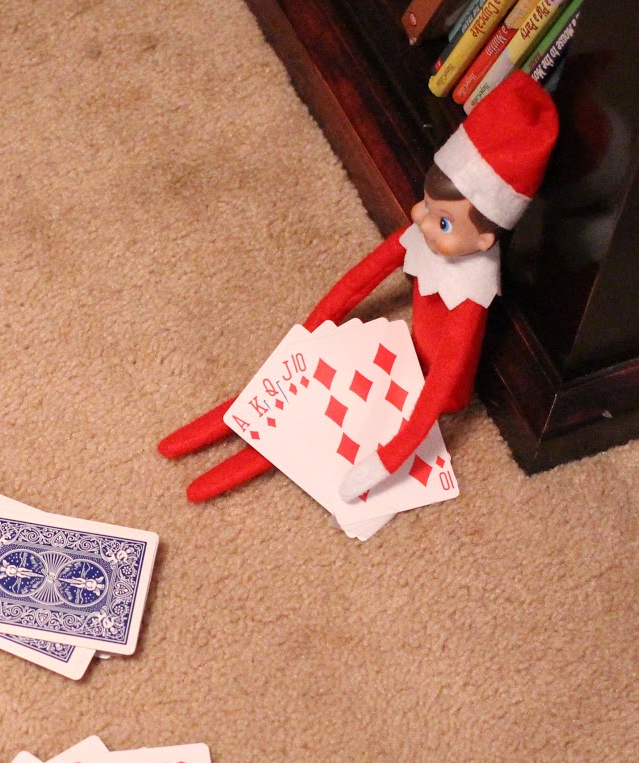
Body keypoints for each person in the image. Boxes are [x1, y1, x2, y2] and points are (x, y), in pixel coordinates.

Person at [159, 71, 559, 504]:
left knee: (312, 431)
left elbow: (444, 380)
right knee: (286, 394)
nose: (423, 223)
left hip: (429, 391)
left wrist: (388, 458)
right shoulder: (423, 235)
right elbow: (356, 283)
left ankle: (264, 444)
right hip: (391, 353)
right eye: (425, 204)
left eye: (443, 222)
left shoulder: (472, 295)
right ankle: (239, 414)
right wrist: (306, 342)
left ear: (484, 240)